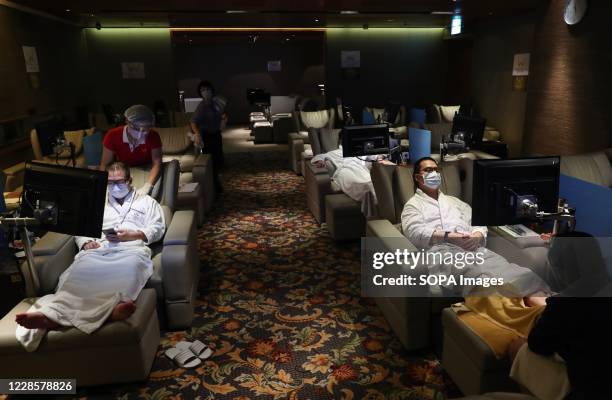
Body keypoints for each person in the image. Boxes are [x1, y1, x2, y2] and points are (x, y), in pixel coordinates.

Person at [15, 161, 165, 351]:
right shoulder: (96, 202)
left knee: (127, 272)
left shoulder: (146, 202)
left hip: (131, 251)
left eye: (120, 182)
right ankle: (104, 312)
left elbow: (158, 228)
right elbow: (81, 228)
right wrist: (86, 243)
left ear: (130, 180)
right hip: (97, 251)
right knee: (75, 280)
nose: (115, 187)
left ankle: (55, 318)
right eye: (110, 183)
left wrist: (133, 235)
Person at [401, 156, 549, 298]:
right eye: (428, 170)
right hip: (445, 254)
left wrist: (477, 235)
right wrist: (449, 237)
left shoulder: (455, 202)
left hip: (475, 250)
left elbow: (477, 221)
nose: (434, 173)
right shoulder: (413, 206)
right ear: (417, 177)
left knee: (519, 274)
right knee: (482, 277)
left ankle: (543, 309)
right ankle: (520, 311)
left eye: (436, 169)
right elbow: (415, 232)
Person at [507, 232, 612, 400]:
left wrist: (549, 309)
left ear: (560, 267)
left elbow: (538, 344)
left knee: (516, 346)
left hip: (592, 390)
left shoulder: (565, 305)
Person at [100, 104, 162, 196]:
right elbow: (105, 165)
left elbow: (157, 164)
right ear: (127, 122)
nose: (140, 134)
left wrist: (148, 186)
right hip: (123, 172)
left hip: (146, 170)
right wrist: (103, 186)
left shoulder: (153, 136)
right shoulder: (112, 136)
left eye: (145, 130)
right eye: (137, 129)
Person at [190, 80, 227, 193]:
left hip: (216, 134)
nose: (205, 92)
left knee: (219, 160)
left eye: (207, 89)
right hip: (207, 136)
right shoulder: (202, 106)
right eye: (202, 90)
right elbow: (193, 122)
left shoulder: (216, 103)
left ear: (212, 90)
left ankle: (215, 185)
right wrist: (196, 133)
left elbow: (221, 114)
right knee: (212, 162)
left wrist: (224, 117)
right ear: (200, 93)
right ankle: (214, 188)